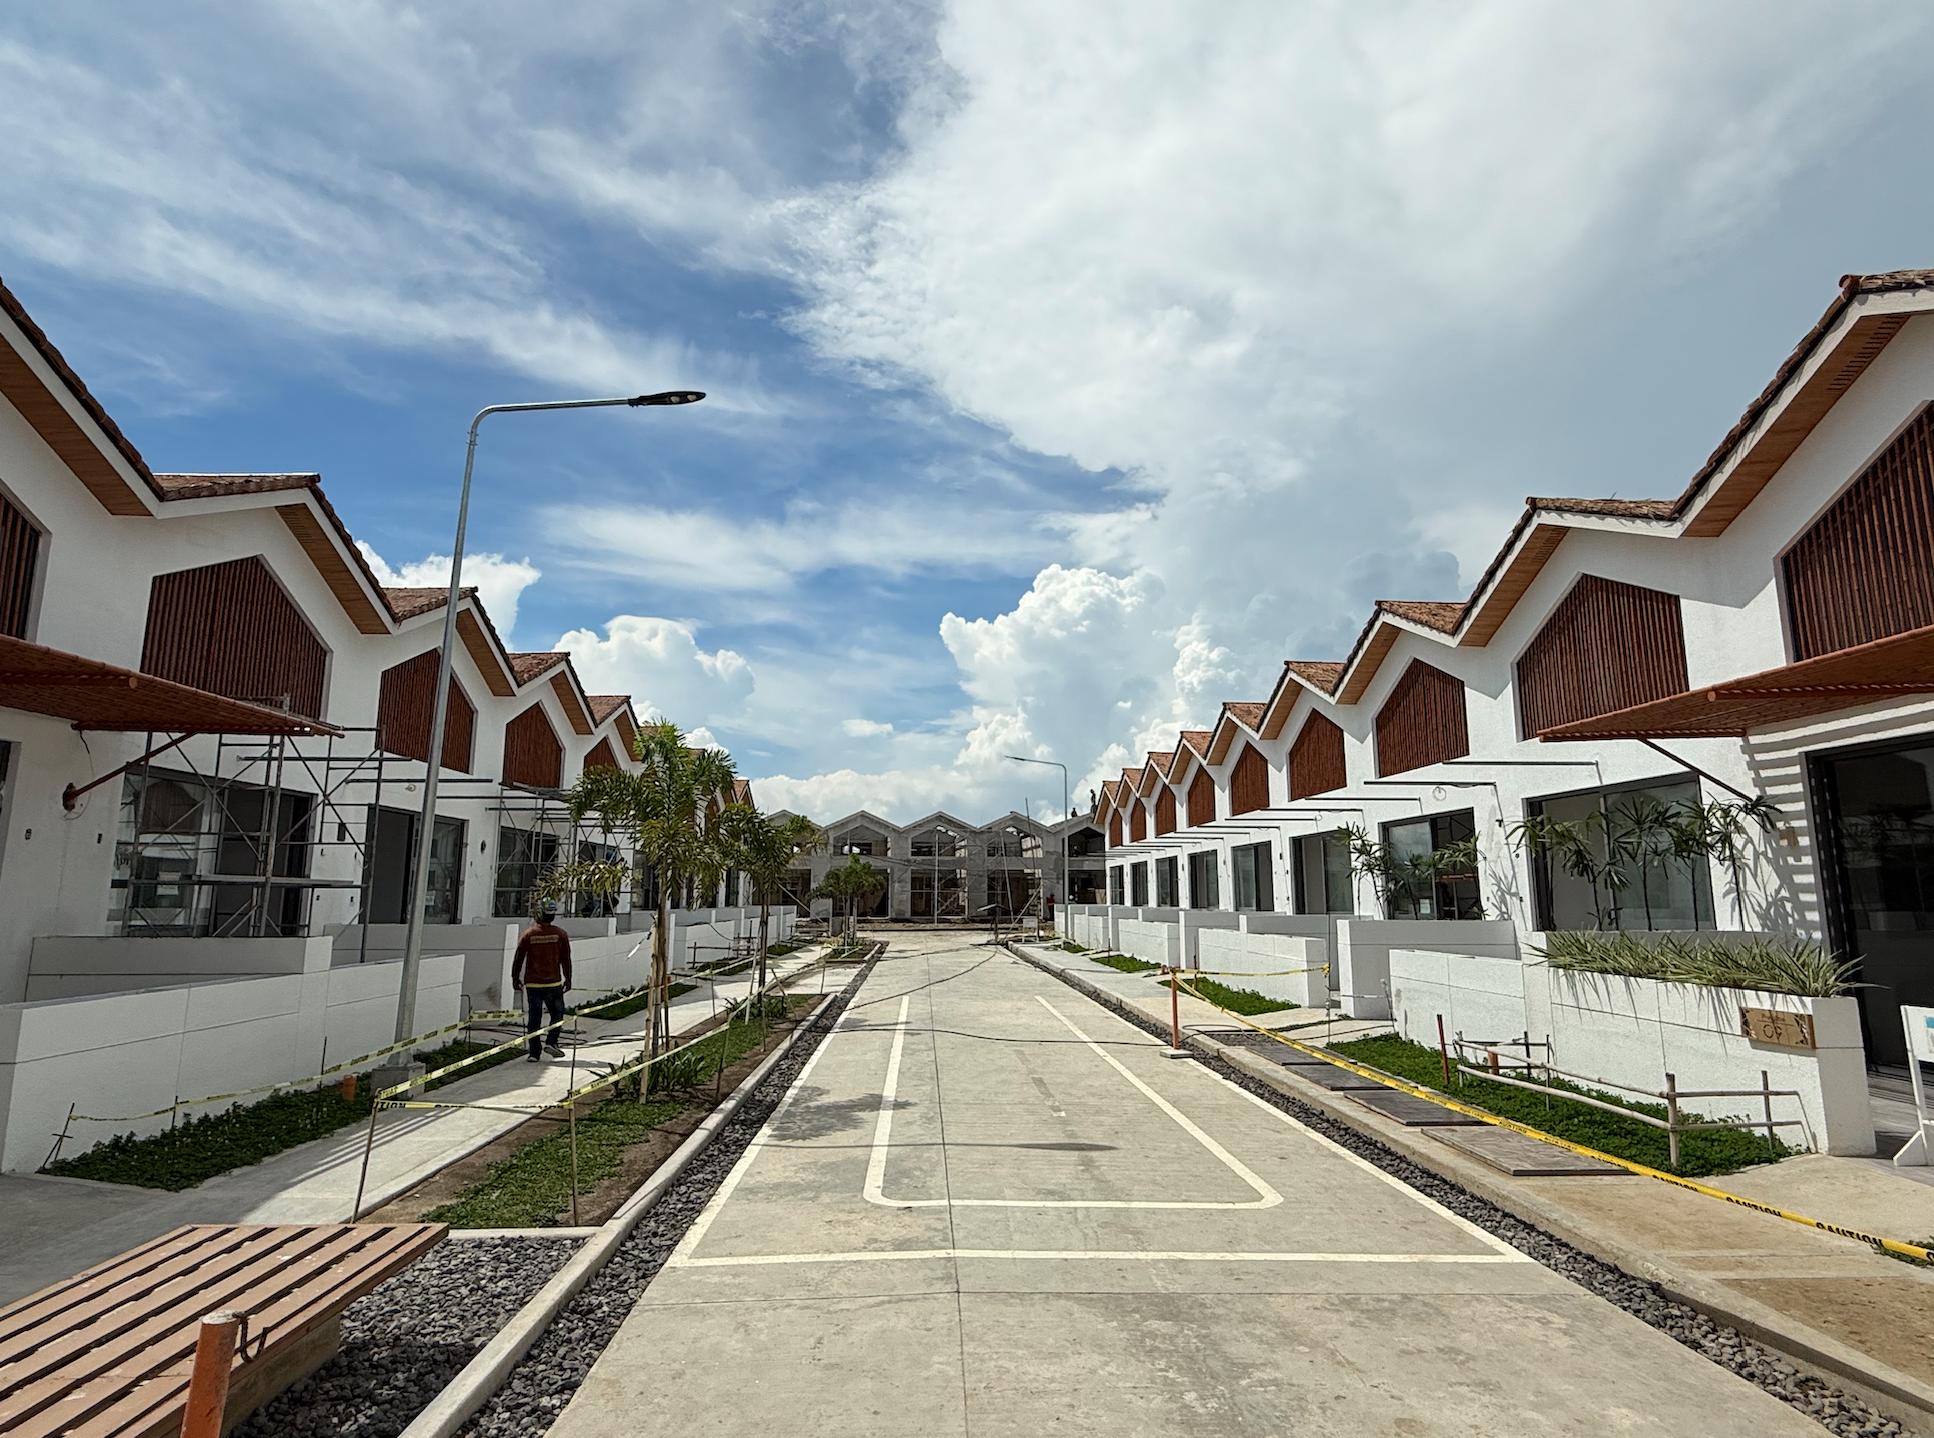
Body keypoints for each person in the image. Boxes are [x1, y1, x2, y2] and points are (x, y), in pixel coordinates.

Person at [513, 905, 573, 1062]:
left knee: (534, 1018)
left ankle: (534, 1053)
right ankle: (552, 1041)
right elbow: (566, 959)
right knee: (557, 1013)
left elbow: (518, 958)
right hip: (553, 983)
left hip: (533, 984)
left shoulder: (529, 934)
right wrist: (568, 978)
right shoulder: (560, 934)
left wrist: (515, 978)